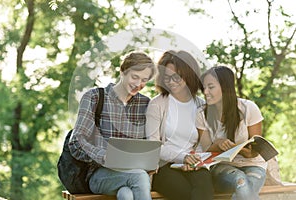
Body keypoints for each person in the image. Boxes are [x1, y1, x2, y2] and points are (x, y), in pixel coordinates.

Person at [68, 52, 156, 200]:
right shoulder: (95, 98)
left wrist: (152, 160)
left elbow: (150, 143)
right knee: (139, 177)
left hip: (133, 174)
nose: (138, 84)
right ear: (122, 71)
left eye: (144, 80)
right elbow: (76, 142)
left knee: (126, 194)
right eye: (134, 77)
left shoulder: (146, 104)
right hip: (99, 174)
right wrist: (104, 156)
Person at [146, 50, 214, 200]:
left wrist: (194, 160)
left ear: (189, 74)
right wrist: (181, 158)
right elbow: (153, 146)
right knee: (185, 194)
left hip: (193, 165)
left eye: (176, 77)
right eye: (167, 78)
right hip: (164, 167)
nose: (171, 82)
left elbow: (205, 143)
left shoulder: (201, 105)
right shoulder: (157, 105)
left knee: (205, 189)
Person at [196, 66, 267, 200]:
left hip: (253, 164)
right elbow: (206, 148)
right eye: (204, 87)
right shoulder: (201, 114)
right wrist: (218, 144)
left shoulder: (248, 108)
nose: (205, 92)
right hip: (221, 166)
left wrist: (237, 149)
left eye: (210, 87)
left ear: (225, 87)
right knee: (241, 182)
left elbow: (255, 151)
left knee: (248, 185)